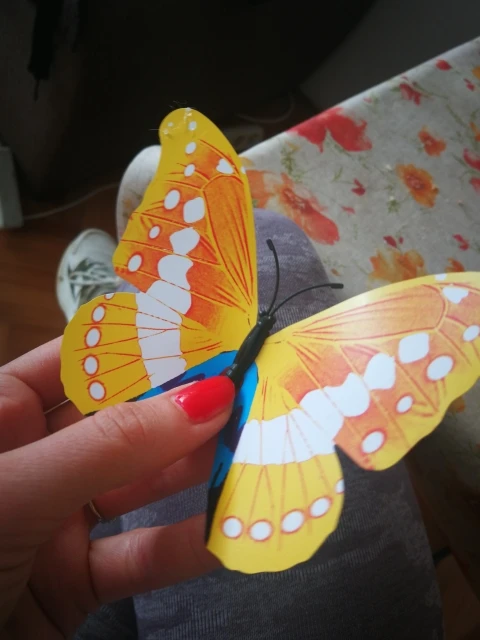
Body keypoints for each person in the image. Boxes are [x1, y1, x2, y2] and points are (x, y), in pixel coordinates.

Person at [1, 150, 443, 638]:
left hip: (58, 590)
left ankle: (123, 305)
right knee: (262, 237)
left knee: (257, 241)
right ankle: (124, 305)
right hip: (61, 592)